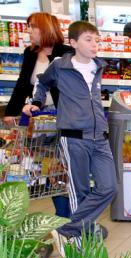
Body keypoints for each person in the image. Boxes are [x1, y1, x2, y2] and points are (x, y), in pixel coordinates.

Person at [23, 21, 117, 257]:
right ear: (73, 43)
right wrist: (36, 102)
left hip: (100, 137)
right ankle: (78, 251)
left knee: (109, 187)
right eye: (88, 39)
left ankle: (65, 230)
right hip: (73, 137)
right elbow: (42, 82)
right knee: (80, 193)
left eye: (97, 40)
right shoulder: (60, 66)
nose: (94, 44)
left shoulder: (98, 66)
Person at [4, 13, 74, 218]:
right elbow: (22, 84)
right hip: (40, 121)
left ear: (44, 29)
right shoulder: (30, 53)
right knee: (49, 167)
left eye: (32, 27)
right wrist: (11, 112)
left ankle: (71, 216)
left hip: (64, 119)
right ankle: (62, 216)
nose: (28, 32)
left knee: (65, 168)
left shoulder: (66, 53)